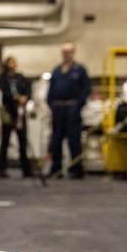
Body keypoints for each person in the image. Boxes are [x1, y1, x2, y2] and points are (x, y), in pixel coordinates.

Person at [46, 42, 91, 179]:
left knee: (74, 141)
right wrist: (51, 105)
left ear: (73, 53)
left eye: (69, 51)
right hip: (58, 110)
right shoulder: (57, 71)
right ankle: (56, 168)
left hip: (72, 109)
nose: (66, 54)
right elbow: (51, 90)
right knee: (56, 140)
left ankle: (76, 169)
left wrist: (77, 106)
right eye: (64, 52)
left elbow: (86, 90)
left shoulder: (80, 70)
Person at [0, 56, 34, 178]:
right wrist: (15, 97)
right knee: (5, 141)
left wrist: (25, 98)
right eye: (10, 63)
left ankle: (26, 169)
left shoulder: (21, 78)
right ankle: (2, 169)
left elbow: (28, 89)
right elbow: (5, 92)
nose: (12, 65)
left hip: (20, 112)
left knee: (22, 141)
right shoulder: (2, 78)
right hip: (8, 111)